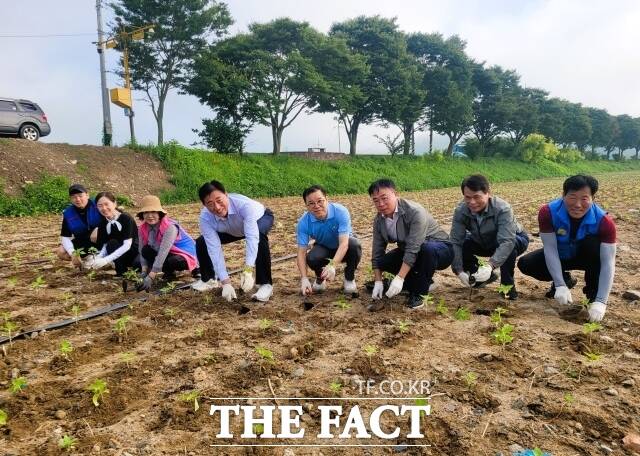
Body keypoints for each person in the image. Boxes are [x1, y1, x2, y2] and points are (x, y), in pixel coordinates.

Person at [517, 175, 616, 322]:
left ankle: (593, 297)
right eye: (572, 197)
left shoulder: (605, 222)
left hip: (587, 258)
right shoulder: (548, 212)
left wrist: (602, 301)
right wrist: (560, 284)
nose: (577, 204)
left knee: (593, 245)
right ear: (563, 195)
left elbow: (608, 262)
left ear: (592, 198)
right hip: (561, 255)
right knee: (526, 263)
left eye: (584, 198)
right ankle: (565, 280)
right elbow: (550, 249)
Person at [369, 179, 453, 310]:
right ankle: (422, 282)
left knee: (426, 249)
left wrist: (400, 278)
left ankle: (419, 293)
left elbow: (414, 248)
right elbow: (377, 252)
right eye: (376, 200)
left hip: (440, 249)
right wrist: (378, 281)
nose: (381, 204)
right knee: (382, 262)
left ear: (396, 194)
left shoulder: (415, 212)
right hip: (413, 250)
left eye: (384, 198)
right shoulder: (379, 220)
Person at [450, 174, 529, 300]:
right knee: (463, 244)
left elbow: (506, 241)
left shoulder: (502, 208)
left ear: (488, 193)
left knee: (509, 246)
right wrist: (458, 271)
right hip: (482, 240)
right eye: (467, 197)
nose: (472, 202)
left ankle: (507, 286)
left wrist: (490, 265)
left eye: (477, 197)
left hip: (514, 239)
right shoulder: (461, 210)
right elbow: (455, 241)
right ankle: (478, 276)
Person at [193, 180, 274, 302]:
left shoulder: (244, 206)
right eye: (210, 204)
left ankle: (265, 284)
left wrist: (248, 270)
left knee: (260, 237)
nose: (217, 207)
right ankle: (209, 279)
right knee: (202, 242)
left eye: (219, 200)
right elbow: (214, 248)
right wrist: (225, 282)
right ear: (204, 205)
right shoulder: (205, 218)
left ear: (226, 194)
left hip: (259, 219)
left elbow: (252, 238)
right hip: (232, 229)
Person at [296, 185, 362, 296]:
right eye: (311, 203)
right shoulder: (303, 222)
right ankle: (321, 278)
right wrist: (304, 278)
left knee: (355, 245)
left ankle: (349, 278)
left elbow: (344, 244)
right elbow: (301, 252)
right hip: (324, 247)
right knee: (312, 257)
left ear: (326, 199)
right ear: (306, 205)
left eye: (320, 201)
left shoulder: (340, 212)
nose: (316, 206)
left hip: (344, 246)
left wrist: (332, 265)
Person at [136, 195, 199, 291]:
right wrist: (144, 272)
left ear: (159, 213)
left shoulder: (170, 227)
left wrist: (151, 276)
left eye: (153, 212)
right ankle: (169, 273)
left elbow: (163, 251)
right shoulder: (142, 228)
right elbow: (141, 249)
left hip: (186, 253)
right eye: (146, 212)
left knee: (174, 261)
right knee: (146, 250)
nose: (150, 216)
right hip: (169, 252)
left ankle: (197, 268)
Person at [88, 192, 139, 277]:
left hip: (134, 252)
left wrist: (106, 260)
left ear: (114, 203)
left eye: (106, 204)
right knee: (111, 243)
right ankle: (121, 272)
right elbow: (105, 244)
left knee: (138, 264)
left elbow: (127, 245)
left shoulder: (126, 218)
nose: (104, 208)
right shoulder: (103, 222)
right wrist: (99, 257)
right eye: (100, 206)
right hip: (120, 255)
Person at [55, 184, 104, 267]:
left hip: (101, 240)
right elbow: (65, 236)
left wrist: (100, 228)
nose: (77, 199)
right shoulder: (68, 213)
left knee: (96, 235)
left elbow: (114, 217)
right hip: (83, 241)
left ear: (87, 195)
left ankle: (103, 257)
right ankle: (86, 260)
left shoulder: (98, 204)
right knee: (61, 252)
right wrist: (73, 253)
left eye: (80, 196)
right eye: (74, 197)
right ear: (71, 199)